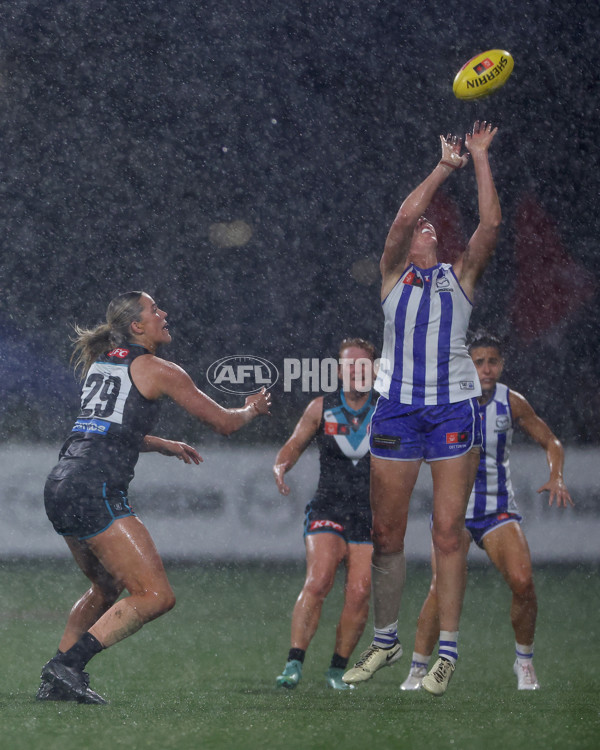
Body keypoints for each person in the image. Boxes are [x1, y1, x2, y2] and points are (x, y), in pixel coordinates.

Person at [37, 291, 271, 704]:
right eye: (154, 309)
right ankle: (67, 667)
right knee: (156, 596)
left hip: (62, 482)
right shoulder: (159, 369)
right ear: (137, 326)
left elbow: (103, 430)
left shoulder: (104, 364)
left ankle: (55, 682)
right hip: (95, 486)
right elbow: (223, 423)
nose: (164, 314)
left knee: (104, 588)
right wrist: (251, 409)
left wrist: (160, 443)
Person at [342, 121, 501, 696]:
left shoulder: (459, 279)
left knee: (447, 532)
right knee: (386, 533)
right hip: (398, 412)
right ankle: (385, 643)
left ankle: (446, 654)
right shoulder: (391, 278)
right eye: (421, 227)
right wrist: (443, 169)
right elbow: (404, 218)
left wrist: (480, 157)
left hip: (454, 410)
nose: (427, 226)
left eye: (434, 226)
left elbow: (491, 224)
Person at [400, 331, 573, 692]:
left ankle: (523, 662)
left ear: (501, 364)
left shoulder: (512, 402)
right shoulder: (445, 399)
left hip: (496, 510)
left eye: (492, 361)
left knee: (524, 583)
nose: (486, 369)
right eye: (479, 362)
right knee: (440, 587)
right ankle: (417, 671)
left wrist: (556, 475)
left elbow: (551, 441)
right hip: (453, 512)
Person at [273, 339, 377, 690]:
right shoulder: (321, 407)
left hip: (370, 514)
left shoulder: (388, 411)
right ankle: (294, 663)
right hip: (328, 507)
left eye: (364, 366)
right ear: (338, 371)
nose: (356, 372)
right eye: (350, 366)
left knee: (360, 592)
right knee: (319, 580)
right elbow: (295, 443)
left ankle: (337, 669)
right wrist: (280, 466)